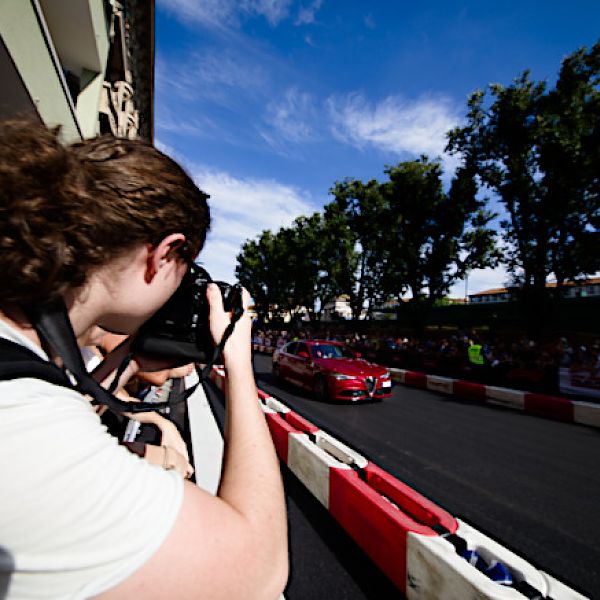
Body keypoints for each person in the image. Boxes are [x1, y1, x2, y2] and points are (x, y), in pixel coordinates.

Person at [0, 119, 288, 599]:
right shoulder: (23, 420)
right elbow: (258, 569)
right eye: (187, 269)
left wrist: (131, 354)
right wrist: (238, 362)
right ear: (164, 254)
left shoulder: (20, 359)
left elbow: (67, 404)